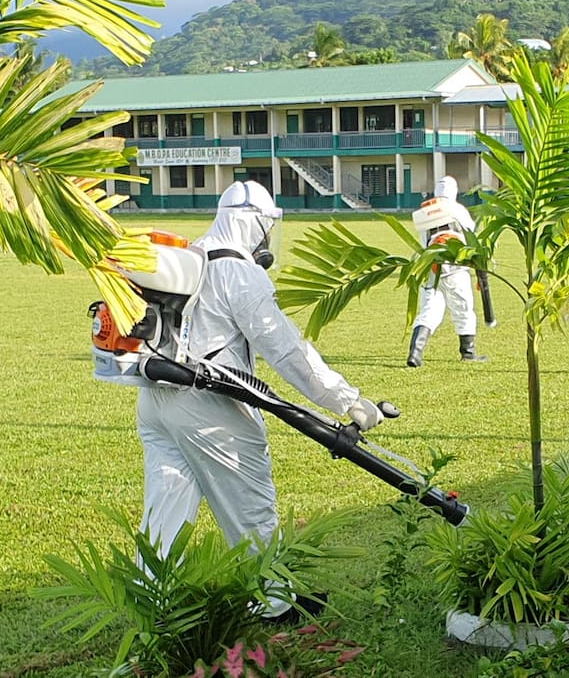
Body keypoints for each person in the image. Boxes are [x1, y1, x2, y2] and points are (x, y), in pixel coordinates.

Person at [136, 179, 384, 621]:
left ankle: (147, 598)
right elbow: (286, 350)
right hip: (210, 407)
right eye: (268, 229)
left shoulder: (186, 258)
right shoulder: (238, 271)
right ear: (255, 224)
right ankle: (272, 604)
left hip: (155, 400)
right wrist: (349, 401)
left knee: (165, 506)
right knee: (250, 505)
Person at [407, 176, 487, 367]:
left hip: (432, 267)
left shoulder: (425, 212)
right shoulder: (458, 209)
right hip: (456, 267)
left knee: (429, 311)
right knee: (463, 309)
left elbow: (423, 242)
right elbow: (470, 236)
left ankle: (415, 353)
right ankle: (468, 353)